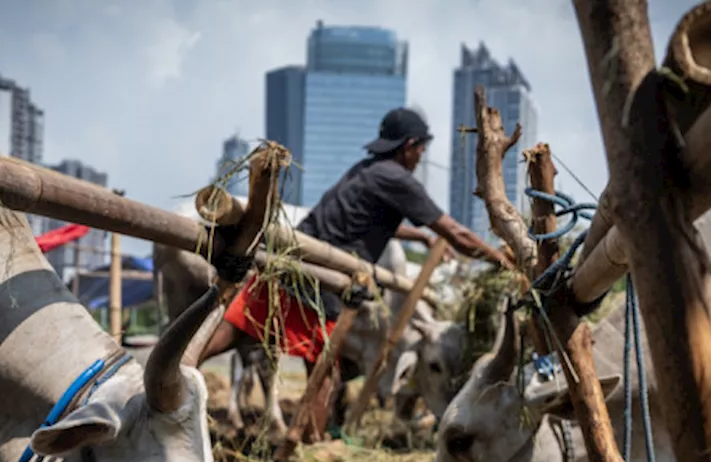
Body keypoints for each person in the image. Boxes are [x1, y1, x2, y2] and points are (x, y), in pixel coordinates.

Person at [198, 107, 509, 440]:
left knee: (226, 335)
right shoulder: (397, 178)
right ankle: (311, 448)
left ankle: (173, 372)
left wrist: (418, 235)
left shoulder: (370, 170)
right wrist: (499, 259)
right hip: (319, 277)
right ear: (409, 146)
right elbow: (455, 232)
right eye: (420, 150)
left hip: (291, 261)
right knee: (324, 372)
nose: (420, 157)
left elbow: (363, 221)